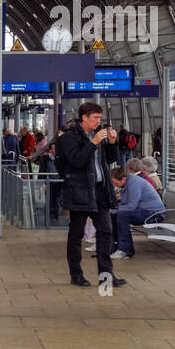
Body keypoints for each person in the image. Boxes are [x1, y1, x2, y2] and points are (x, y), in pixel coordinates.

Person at [56, 102, 126, 287]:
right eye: (95, 117)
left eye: (100, 118)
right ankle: (76, 274)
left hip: (99, 191)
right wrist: (93, 142)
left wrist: (112, 143)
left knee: (105, 231)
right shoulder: (69, 138)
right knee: (76, 234)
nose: (98, 121)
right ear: (84, 117)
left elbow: (110, 160)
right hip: (79, 191)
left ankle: (106, 275)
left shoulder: (98, 136)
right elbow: (77, 161)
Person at [109, 166, 164, 260]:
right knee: (115, 214)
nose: (115, 185)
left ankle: (125, 250)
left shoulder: (134, 183)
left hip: (154, 214)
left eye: (116, 183)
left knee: (122, 215)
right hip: (144, 210)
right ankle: (117, 246)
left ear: (123, 178)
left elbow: (131, 206)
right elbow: (125, 202)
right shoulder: (127, 182)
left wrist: (113, 209)